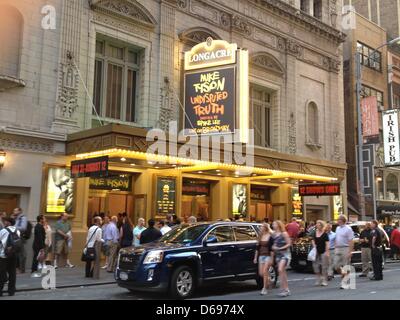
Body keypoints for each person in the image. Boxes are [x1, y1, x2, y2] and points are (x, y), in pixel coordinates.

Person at [0, 217, 20, 296]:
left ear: (8, 222)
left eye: (5, 221)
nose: (4, 222)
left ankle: (0, 291)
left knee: (1, 273)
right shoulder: (17, 231)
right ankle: (11, 291)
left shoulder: (3, 231)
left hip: (3, 255)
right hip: (14, 254)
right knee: (12, 273)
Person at [271, 220, 291, 297]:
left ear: (279, 225)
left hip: (285, 254)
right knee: (282, 272)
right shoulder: (274, 234)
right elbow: (274, 244)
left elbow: (289, 243)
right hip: (278, 255)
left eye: (274, 224)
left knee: (280, 269)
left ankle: (285, 289)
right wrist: (273, 247)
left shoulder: (284, 233)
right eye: (273, 224)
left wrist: (280, 248)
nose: (273, 225)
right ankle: (285, 289)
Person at [334, 215, 354, 289]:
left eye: (338, 219)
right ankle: (345, 276)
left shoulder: (348, 229)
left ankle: (344, 282)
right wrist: (335, 247)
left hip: (346, 248)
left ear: (342, 220)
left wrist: (350, 251)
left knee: (346, 266)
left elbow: (351, 241)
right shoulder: (337, 228)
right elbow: (336, 238)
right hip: (338, 248)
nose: (337, 220)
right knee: (336, 265)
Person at [253, 223, 274, 295]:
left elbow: (272, 249)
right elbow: (257, 248)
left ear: (265, 228)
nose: (261, 228)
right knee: (261, 273)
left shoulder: (270, 236)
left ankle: (264, 288)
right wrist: (255, 257)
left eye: (262, 227)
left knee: (265, 271)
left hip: (268, 256)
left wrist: (272, 258)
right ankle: (269, 279)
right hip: (261, 256)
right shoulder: (260, 236)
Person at [312, 220, 330, 286]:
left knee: (324, 266)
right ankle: (318, 279)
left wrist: (327, 252)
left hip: (323, 251)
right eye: (316, 224)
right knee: (315, 266)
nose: (317, 225)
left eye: (318, 224)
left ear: (321, 226)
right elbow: (313, 240)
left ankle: (324, 280)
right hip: (316, 251)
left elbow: (327, 244)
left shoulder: (325, 234)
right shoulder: (315, 232)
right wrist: (314, 245)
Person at [12, 208, 27, 273]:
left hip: (19, 237)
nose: (14, 211)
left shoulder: (22, 218)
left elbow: (23, 228)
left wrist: (13, 227)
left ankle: (21, 269)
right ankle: (16, 268)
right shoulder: (15, 217)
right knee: (15, 253)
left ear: (20, 211)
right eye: (14, 210)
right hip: (13, 237)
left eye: (15, 210)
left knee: (21, 254)